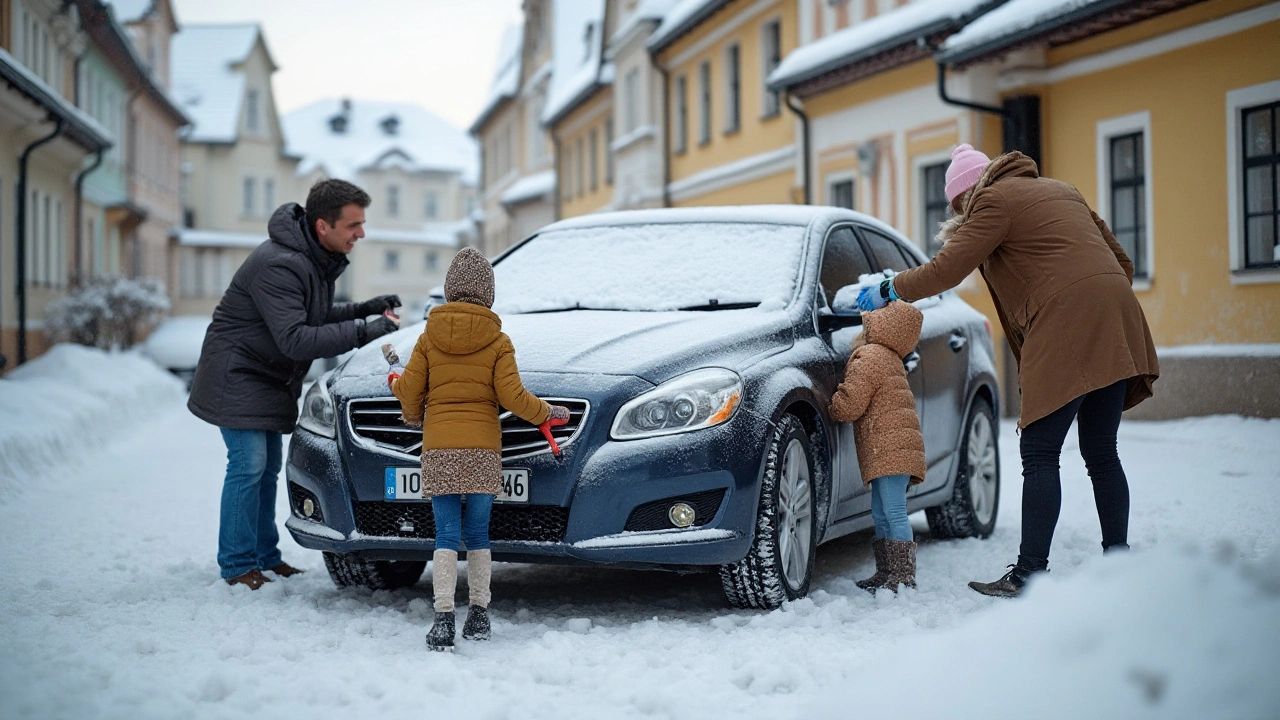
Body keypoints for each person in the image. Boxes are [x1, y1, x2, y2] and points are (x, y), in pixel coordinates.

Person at [857, 144, 1159, 598]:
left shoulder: (993, 201)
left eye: (958, 206)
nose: (961, 214)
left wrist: (888, 287)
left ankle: (1028, 574)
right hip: (1118, 320)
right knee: (1102, 453)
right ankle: (1117, 557)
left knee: (1039, 453)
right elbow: (1124, 264)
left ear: (966, 194)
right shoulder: (1062, 190)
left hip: (1066, 326)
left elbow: (945, 270)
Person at [189, 179, 401, 590]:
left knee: (266, 468)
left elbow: (314, 313)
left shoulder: (312, 258)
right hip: (238, 375)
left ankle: (265, 557)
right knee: (248, 466)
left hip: (264, 375)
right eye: (353, 225)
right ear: (323, 226)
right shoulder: (280, 263)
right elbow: (296, 337)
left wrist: (364, 309)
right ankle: (236, 565)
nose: (361, 233)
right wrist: (362, 329)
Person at [390, 247, 569, 651]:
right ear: (488, 293)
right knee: (478, 533)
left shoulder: (427, 339)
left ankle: (442, 620)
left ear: (451, 290)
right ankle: (480, 615)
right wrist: (548, 412)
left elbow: (409, 395)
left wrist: (404, 396)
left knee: (446, 535)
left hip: (439, 450)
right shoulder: (498, 340)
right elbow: (514, 398)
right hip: (483, 451)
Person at [829, 300, 927, 593]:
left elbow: (852, 402)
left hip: (889, 450)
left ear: (879, 329)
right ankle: (887, 572)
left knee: (893, 511)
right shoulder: (890, 358)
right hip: (892, 449)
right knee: (883, 512)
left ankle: (902, 576)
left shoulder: (870, 357)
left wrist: (833, 405)